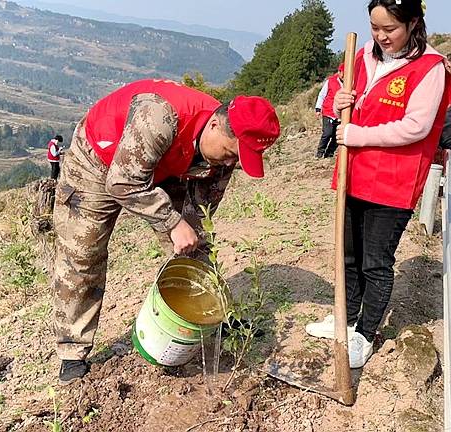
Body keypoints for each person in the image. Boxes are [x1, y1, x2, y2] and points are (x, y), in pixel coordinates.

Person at [52, 78, 280, 384]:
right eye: (229, 154)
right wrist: (172, 223)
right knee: (83, 254)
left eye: (238, 159)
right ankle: (72, 351)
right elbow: (121, 184)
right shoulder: (159, 116)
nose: (230, 163)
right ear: (215, 125)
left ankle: (208, 318)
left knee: (194, 245)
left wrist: (188, 234)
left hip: (169, 163)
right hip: (97, 161)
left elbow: (200, 215)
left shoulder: (222, 155)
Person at [306, 0, 450, 369]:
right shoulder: (365, 56)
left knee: (376, 262)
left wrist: (358, 134)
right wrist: (340, 102)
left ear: (414, 23)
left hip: (393, 182)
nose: (381, 36)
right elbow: (349, 102)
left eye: (390, 29)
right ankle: (347, 317)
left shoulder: (429, 67)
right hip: (353, 172)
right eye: (375, 27)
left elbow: (416, 127)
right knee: (349, 255)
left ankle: (366, 335)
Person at [315, 64, 344, 158]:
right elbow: (322, 95)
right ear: (339, 72)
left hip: (341, 114)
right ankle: (320, 153)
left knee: (337, 136)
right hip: (328, 111)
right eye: (342, 73)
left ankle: (329, 153)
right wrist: (318, 108)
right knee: (327, 133)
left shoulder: (350, 83)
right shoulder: (330, 81)